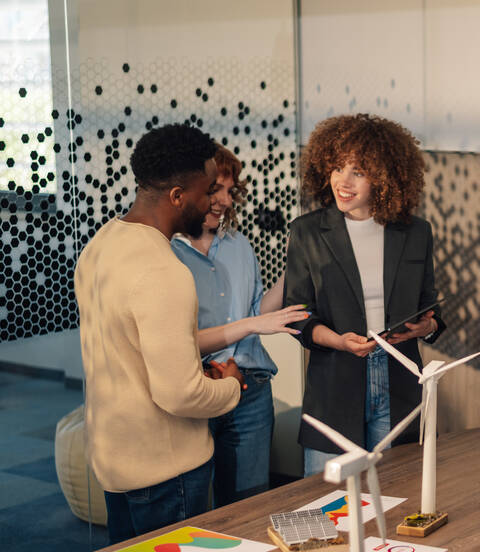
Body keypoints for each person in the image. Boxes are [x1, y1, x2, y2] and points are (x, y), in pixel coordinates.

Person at [74, 123, 244, 543]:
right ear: (177, 196)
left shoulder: (100, 246)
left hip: (116, 466)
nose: (211, 203)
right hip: (168, 477)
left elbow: (128, 356)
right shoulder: (164, 270)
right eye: (206, 191)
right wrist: (233, 386)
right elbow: (180, 395)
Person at [285, 113, 445, 475]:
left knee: (397, 496)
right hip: (335, 385)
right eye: (337, 168)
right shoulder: (307, 232)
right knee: (326, 509)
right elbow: (299, 318)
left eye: (357, 171)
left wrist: (426, 327)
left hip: (400, 381)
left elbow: (429, 305)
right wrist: (340, 342)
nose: (343, 181)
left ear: (384, 176)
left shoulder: (416, 232)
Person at [171, 144, 308, 506]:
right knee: (195, 507)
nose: (225, 201)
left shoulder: (239, 245)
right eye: (215, 190)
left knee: (250, 504)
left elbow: (256, 312)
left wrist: (291, 269)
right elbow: (173, 340)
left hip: (251, 390)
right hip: (197, 390)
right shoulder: (165, 252)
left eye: (230, 191)